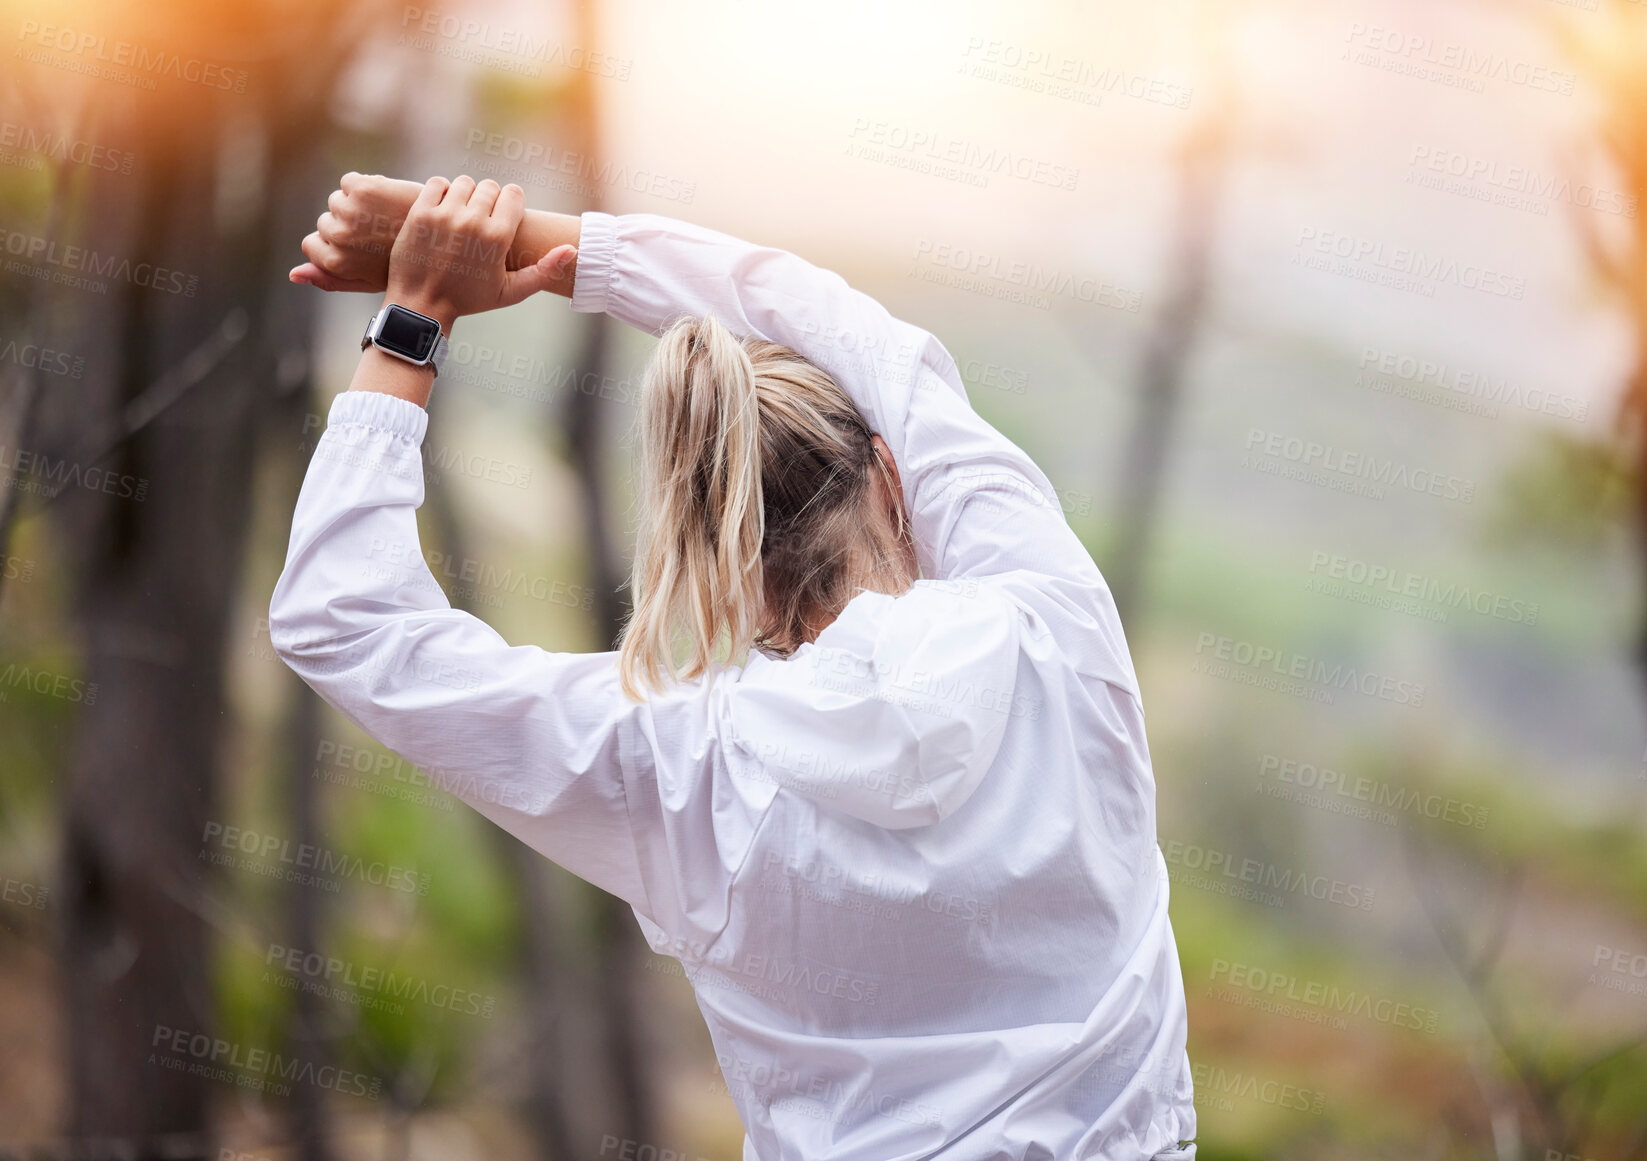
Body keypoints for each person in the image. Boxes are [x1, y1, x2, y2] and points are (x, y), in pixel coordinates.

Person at [274, 173, 1197, 1161]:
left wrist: (418, 313)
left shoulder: (684, 772)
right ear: (891, 473)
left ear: (713, 559)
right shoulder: (1057, 619)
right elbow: (849, 329)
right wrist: (536, 247)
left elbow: (345, 619)